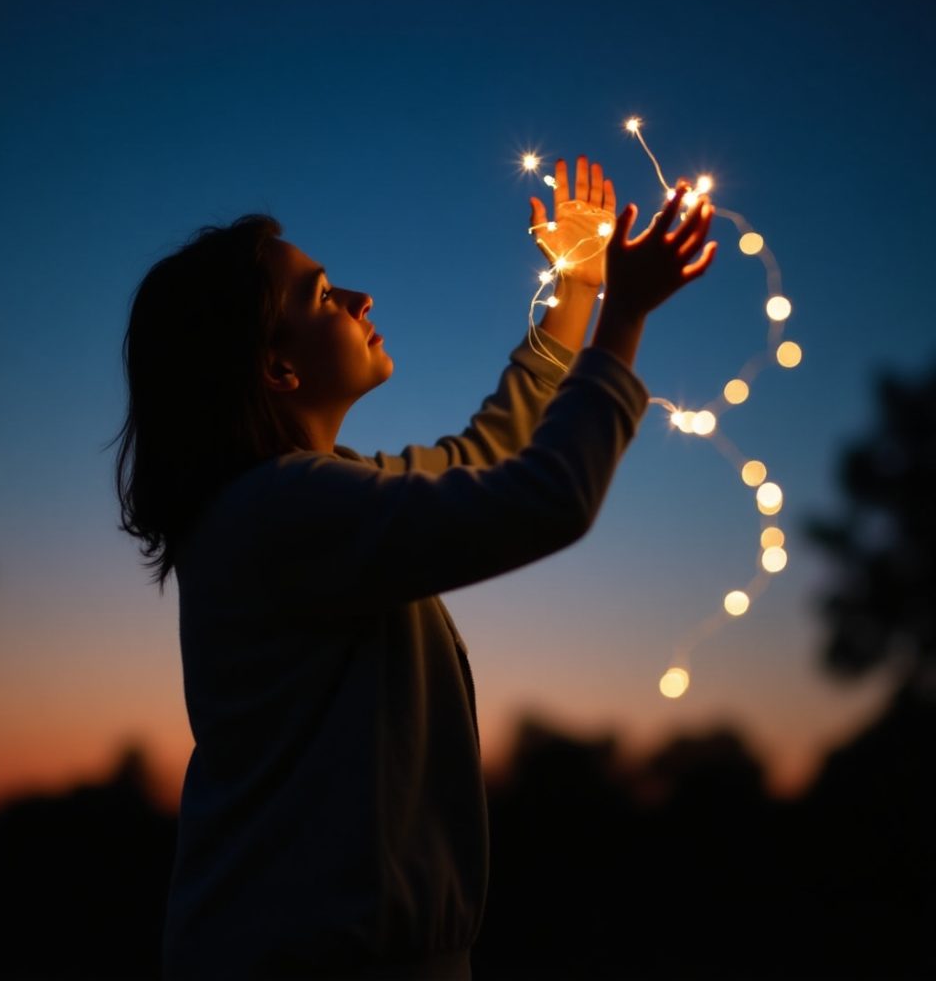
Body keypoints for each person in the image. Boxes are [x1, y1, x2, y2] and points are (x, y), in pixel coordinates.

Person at [113, 157, 716, 980]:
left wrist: (578, 287)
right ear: (277, 368)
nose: (359, 299)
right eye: (321, 296)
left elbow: (484, 456)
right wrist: (626, 319)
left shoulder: (299, 503)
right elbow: (543, 498)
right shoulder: (281, 513)